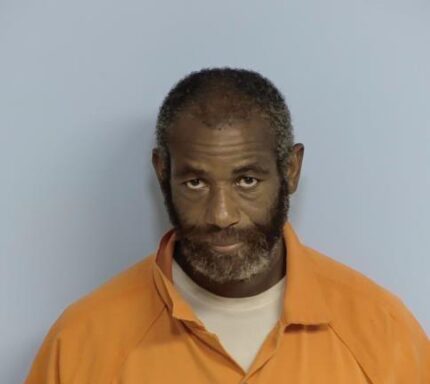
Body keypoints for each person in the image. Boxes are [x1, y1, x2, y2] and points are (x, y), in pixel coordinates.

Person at [25, 68, 429, 383]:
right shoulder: (81, 342)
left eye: (246, 180)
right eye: (196, 182)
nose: (221, 215)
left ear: (290, 170)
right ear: (162, 172)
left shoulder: (383, 331)